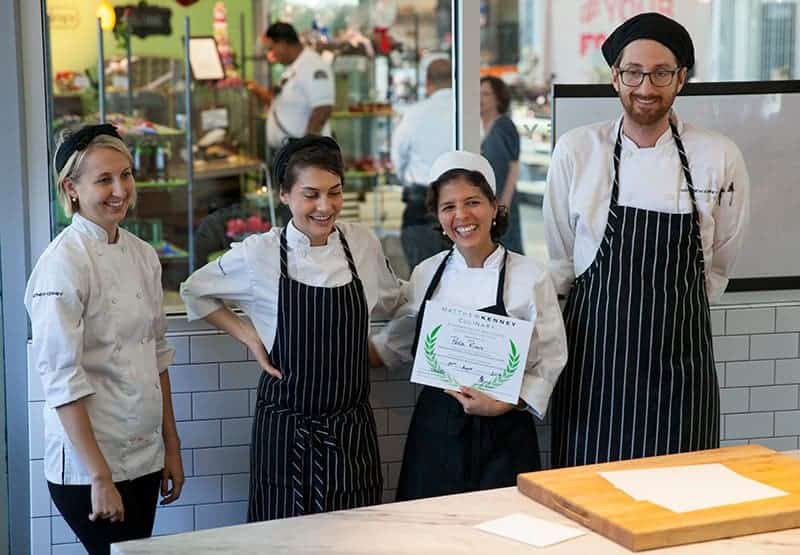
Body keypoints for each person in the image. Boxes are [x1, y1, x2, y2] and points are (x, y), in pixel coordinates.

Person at [545, 13, 749, 468]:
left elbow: (719, 265)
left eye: (661, 73)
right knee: (589, 490)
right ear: (615, 77)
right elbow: (561, 263)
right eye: (633, 72)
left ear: (681, 78)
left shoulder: (719, 155)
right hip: (594, 372)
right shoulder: (578, 151)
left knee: (682, 490)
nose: (646, 87)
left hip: (681, 373)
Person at [180, 136, 403, 521]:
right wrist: (250, 337)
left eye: (335, 193)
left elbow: (394, 298)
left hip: (351, 430)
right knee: (282, 535)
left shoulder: (362, 245)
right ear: (284, 195)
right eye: (310, 194)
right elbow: (194, 290)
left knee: (356, 534)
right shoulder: (260, 253)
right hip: (285, 433)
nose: (325, 206)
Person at [371, 151, 567, 500]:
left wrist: (507, 403)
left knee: (504, 524)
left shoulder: (530, 275)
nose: (461, 216)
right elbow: (397, 341)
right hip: (436, 430)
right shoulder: (426, 273)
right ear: (438, 217)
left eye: (473, 202)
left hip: (506, 431)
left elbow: (551, 357)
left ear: (494, 207)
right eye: (448, 207)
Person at [25, 124, 184, 555]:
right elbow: (61, 379)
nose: (120, 190)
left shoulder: (143, 255)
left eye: (126, 175)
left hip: (145, 457)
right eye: (103, 180)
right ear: (71, 189)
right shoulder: (62, 264)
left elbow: (156, 356)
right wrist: (99, 476)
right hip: (89, 468)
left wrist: (171, 447)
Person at [391, 57, 454, 270]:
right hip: (460, 203)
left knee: (423, 276)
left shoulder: (415, 113)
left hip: (421, 204)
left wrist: (404, 178)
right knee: (460, 276)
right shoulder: (468, 113)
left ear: (427, 83)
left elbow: (398, 153)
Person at [247, 22, 334, 148]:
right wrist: (258, 91)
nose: (271, 54)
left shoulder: (313, 65)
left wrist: (306, 148)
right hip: (290, 151)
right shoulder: (292, 68)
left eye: (271, 48)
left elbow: (323, 109)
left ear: (282, 44)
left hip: (305, 154)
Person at [480, 75, 524, 254]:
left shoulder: (504, 126)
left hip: (502, 203)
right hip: (487, 204)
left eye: (485, 94)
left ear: (498, 98)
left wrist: (504, 205)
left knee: (508, 252)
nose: (480, 99)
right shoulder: (477, 127)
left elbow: (514, 166)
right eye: (478, 94)